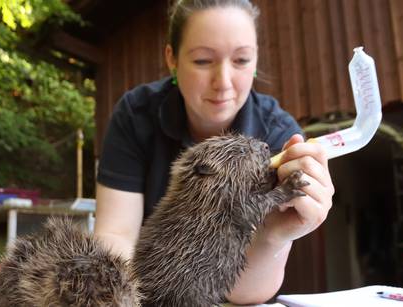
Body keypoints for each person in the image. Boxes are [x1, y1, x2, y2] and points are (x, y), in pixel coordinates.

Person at [94, 0, 334, 304]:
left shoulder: (278, 134)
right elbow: (116, 235)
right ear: (172, 58)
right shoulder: (136, 115)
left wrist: (275, 235)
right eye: (203, 61)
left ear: (256, 57)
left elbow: (242, 292)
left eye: (242, 60)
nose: (222, 83)